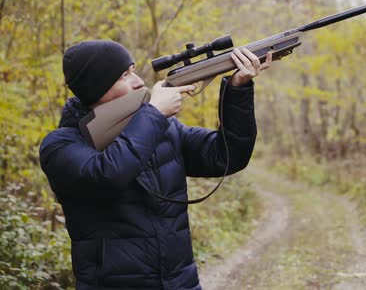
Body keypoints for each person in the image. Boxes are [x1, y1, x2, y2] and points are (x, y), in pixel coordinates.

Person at [39, 40, 271, 289]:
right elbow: (107, 175)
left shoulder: (163, 128)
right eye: (124, 76)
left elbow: (226, 156)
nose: (138, 81)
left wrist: (238, 89)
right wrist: (153, 115)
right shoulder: (60, 145)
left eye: (133, 70)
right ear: (96, 87)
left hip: (181, 282)